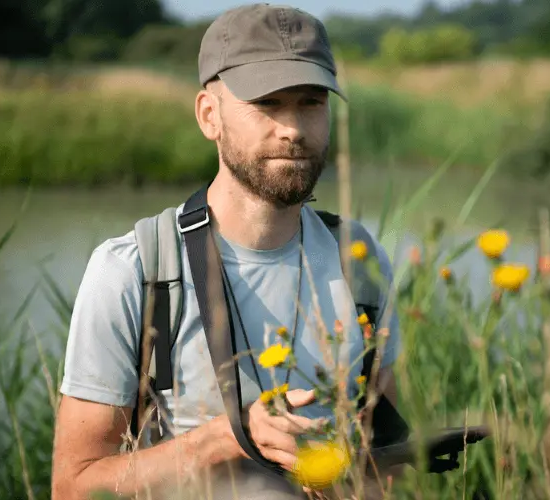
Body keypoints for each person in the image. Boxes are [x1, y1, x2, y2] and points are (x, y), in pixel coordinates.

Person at [51, 4, 403, 499]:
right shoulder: (136, 270)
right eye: (267, 103)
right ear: (209, 116)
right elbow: (73, 487)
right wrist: (229, 437)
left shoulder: (358, 259)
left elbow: (382, 460)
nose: (293, 129)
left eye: (310, 102)